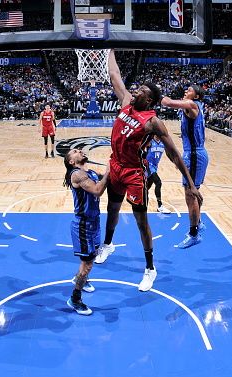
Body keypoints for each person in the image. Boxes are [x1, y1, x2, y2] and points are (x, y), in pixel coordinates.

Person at [94, 50, 202, 292]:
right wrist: (109, 49)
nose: (137, 90)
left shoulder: (152, 122)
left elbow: (174, 153)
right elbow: (114, 75)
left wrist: (191, 184)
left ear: (150, 100)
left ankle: (150, 269)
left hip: (134, 173)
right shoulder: (126, 102)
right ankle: (108, 244)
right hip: (116, 166)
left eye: (142, 90)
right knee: (111, 208)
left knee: (141, 221)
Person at [161, 85, 209, 248]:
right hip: (193, 154)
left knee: (190, 195)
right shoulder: (193, 107)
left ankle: (194, 234)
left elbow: (167, 102)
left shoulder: (192, 105)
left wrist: (155, 93)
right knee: (193, 192)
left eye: (189, 90)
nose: (185, 91)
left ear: (196, 96)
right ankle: (199, 222)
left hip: (195, 154)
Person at [63, 148, 109, 315]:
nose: (80, 150)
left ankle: (81, 279)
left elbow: (105, 179)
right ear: (71, 162)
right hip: (83, 225)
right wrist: (109, 172)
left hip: (94, 222)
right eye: (75, 151)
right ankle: (75, 299)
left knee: (93, 256)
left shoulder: (89, 172)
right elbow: (97, 190)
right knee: (88, 263)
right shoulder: (76, 175)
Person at [145, 135, 172, 214]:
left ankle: (142, 202)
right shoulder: (150, 141)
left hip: (154, 167)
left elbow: (169, 154)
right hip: (148, 166)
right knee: (158, 182)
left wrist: (175, 162)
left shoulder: (163, 142)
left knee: (146, 188)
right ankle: (160, 206)